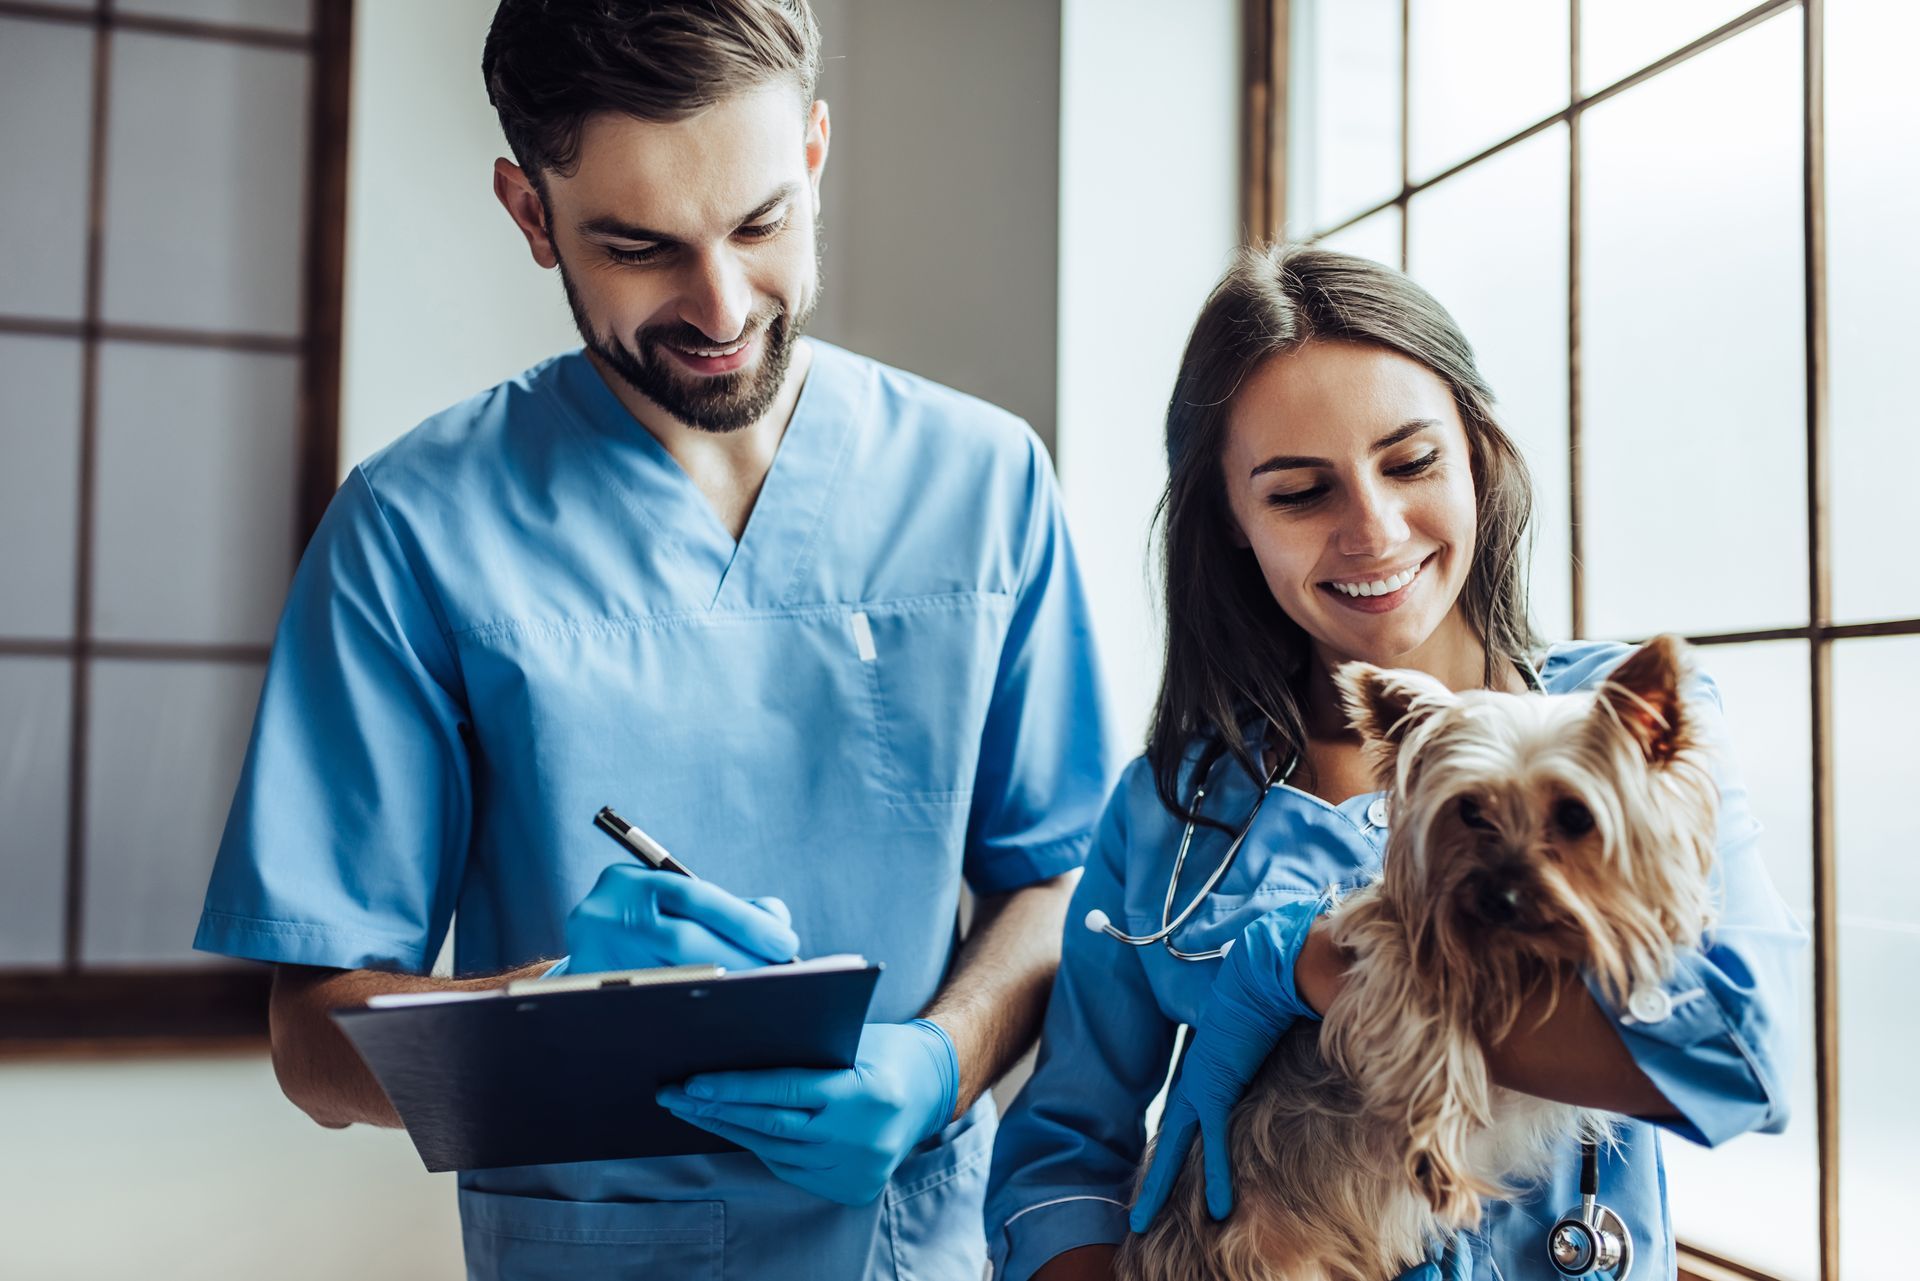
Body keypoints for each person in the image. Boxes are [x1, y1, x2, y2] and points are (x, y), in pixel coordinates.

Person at [192, 3, 1117, 1277]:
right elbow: (313, 1047)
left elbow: (1062, 884)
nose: (723, 305)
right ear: (532, 216)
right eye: (640, 248)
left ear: (815, 149)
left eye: (762, 224)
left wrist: (941, 1061)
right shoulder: (414, 527)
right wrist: (546, 1012)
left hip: (911, 1245)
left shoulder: (987, 481)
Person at [983, 244, 1803, 1280]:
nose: (1372, 532)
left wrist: (1325, 970)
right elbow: (1059, 1165)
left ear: (1478, 455)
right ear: (1231, 523)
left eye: (1410, 463)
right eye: (1298, 493)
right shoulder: (1173, 812)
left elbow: (1739, 1057)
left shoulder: (1624, 721)